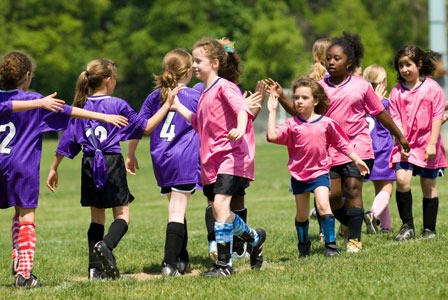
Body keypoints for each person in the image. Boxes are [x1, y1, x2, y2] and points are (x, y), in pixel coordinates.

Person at [267, 32, 410, 253]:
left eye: (337, 59)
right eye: (329, 58)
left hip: (357, 147)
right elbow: (301, 112)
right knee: (333, 197)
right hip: (329, 150)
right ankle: (349, 223)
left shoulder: (362, 86)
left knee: (353, 190)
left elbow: (380, 112)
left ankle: (354, 240)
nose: (331, 62)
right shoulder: (319, 88)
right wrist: (282, 96)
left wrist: (399, 136)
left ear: (349, 62)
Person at [0, 51, 128, 288]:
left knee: (16, 214)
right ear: (27, 76)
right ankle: (25, 274)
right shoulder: (37, 102)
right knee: (26, 215)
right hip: (22, 166)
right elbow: (69, 112)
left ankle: (18, 258)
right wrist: (103, 117)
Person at [46, 58, 179, 280]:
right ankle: (106, 246)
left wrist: (54, 168)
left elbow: (67, 141)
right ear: (108, 80)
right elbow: (145, 127)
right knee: (123, 216)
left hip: (89, 163)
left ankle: (94, 269)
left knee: (97, 218)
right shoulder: (118, 104)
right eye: (115, 77)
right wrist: (167, 104)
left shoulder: (81, 107)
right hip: (110, 162)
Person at [172, 37, 266, 276]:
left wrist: (239, 127)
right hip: (210, 162)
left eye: (198, 61)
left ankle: (224, 265)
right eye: (193, 60)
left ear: (214, 63)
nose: (193, 65)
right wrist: (176, 107)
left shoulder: (225, 86)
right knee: (218, 210)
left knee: (221, 206)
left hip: (231, 157)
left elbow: (241, 110)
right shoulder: (204, 93)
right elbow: (198, 123)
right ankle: (254, 238)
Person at [266, 75, 369, 257]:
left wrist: (356, 159)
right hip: (299, 175)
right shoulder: (292, 125)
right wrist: (272, 110)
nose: (299, 101)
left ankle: (331, 246)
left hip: (320, 172)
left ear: (315, 101)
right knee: (302, 215)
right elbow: (272, 136)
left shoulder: (326, 123)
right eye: (296, 97)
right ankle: (303, 246)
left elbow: (342, 144)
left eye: (304, 98)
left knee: (323, 206)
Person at [125, 49, 201, 277]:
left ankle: (182, 259)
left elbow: (139, 125)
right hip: (183, 157)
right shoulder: (195, 97)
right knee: (177, 210)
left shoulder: (154, 96)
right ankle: (169, 264)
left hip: (161, 157)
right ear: (188, 72)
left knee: (177, 207)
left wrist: (130, 153)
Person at [388, 45, 448, 241]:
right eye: (401, 66)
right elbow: (395, 118)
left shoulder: (432, 88)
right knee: (403, 180)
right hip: (404, 144)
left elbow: (438, 116)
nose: (404, 69)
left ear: (419, 64)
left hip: (427, 144)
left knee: (428, 185)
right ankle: (407, 227)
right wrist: (402, 140)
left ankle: (429, 229)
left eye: (408, 65)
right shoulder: (396, 92)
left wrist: (432, 144)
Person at [362, 65, 395, 234]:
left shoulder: (362, 104)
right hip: (383, 151)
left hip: (366, 151)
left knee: (379, 188)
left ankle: (386, 227)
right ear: (383, 82)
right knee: (387, 188)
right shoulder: (386, 104)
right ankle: (373, 214)